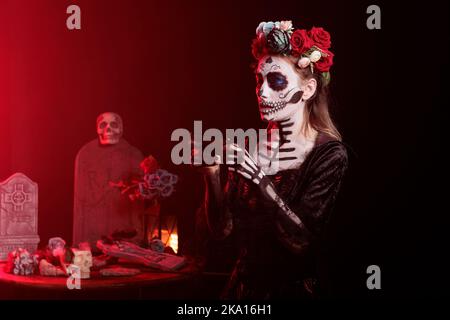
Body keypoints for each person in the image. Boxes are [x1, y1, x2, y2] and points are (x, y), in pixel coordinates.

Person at [197, 20, 348, 299]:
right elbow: (221, 231)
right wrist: (212, 175)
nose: (262, 92)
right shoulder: (248, 147)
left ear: (308, 89)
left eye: (276, 81)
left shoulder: (328, 154)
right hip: (242, 292)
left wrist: (259, 180)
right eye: (259, 80)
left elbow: (300, 241)